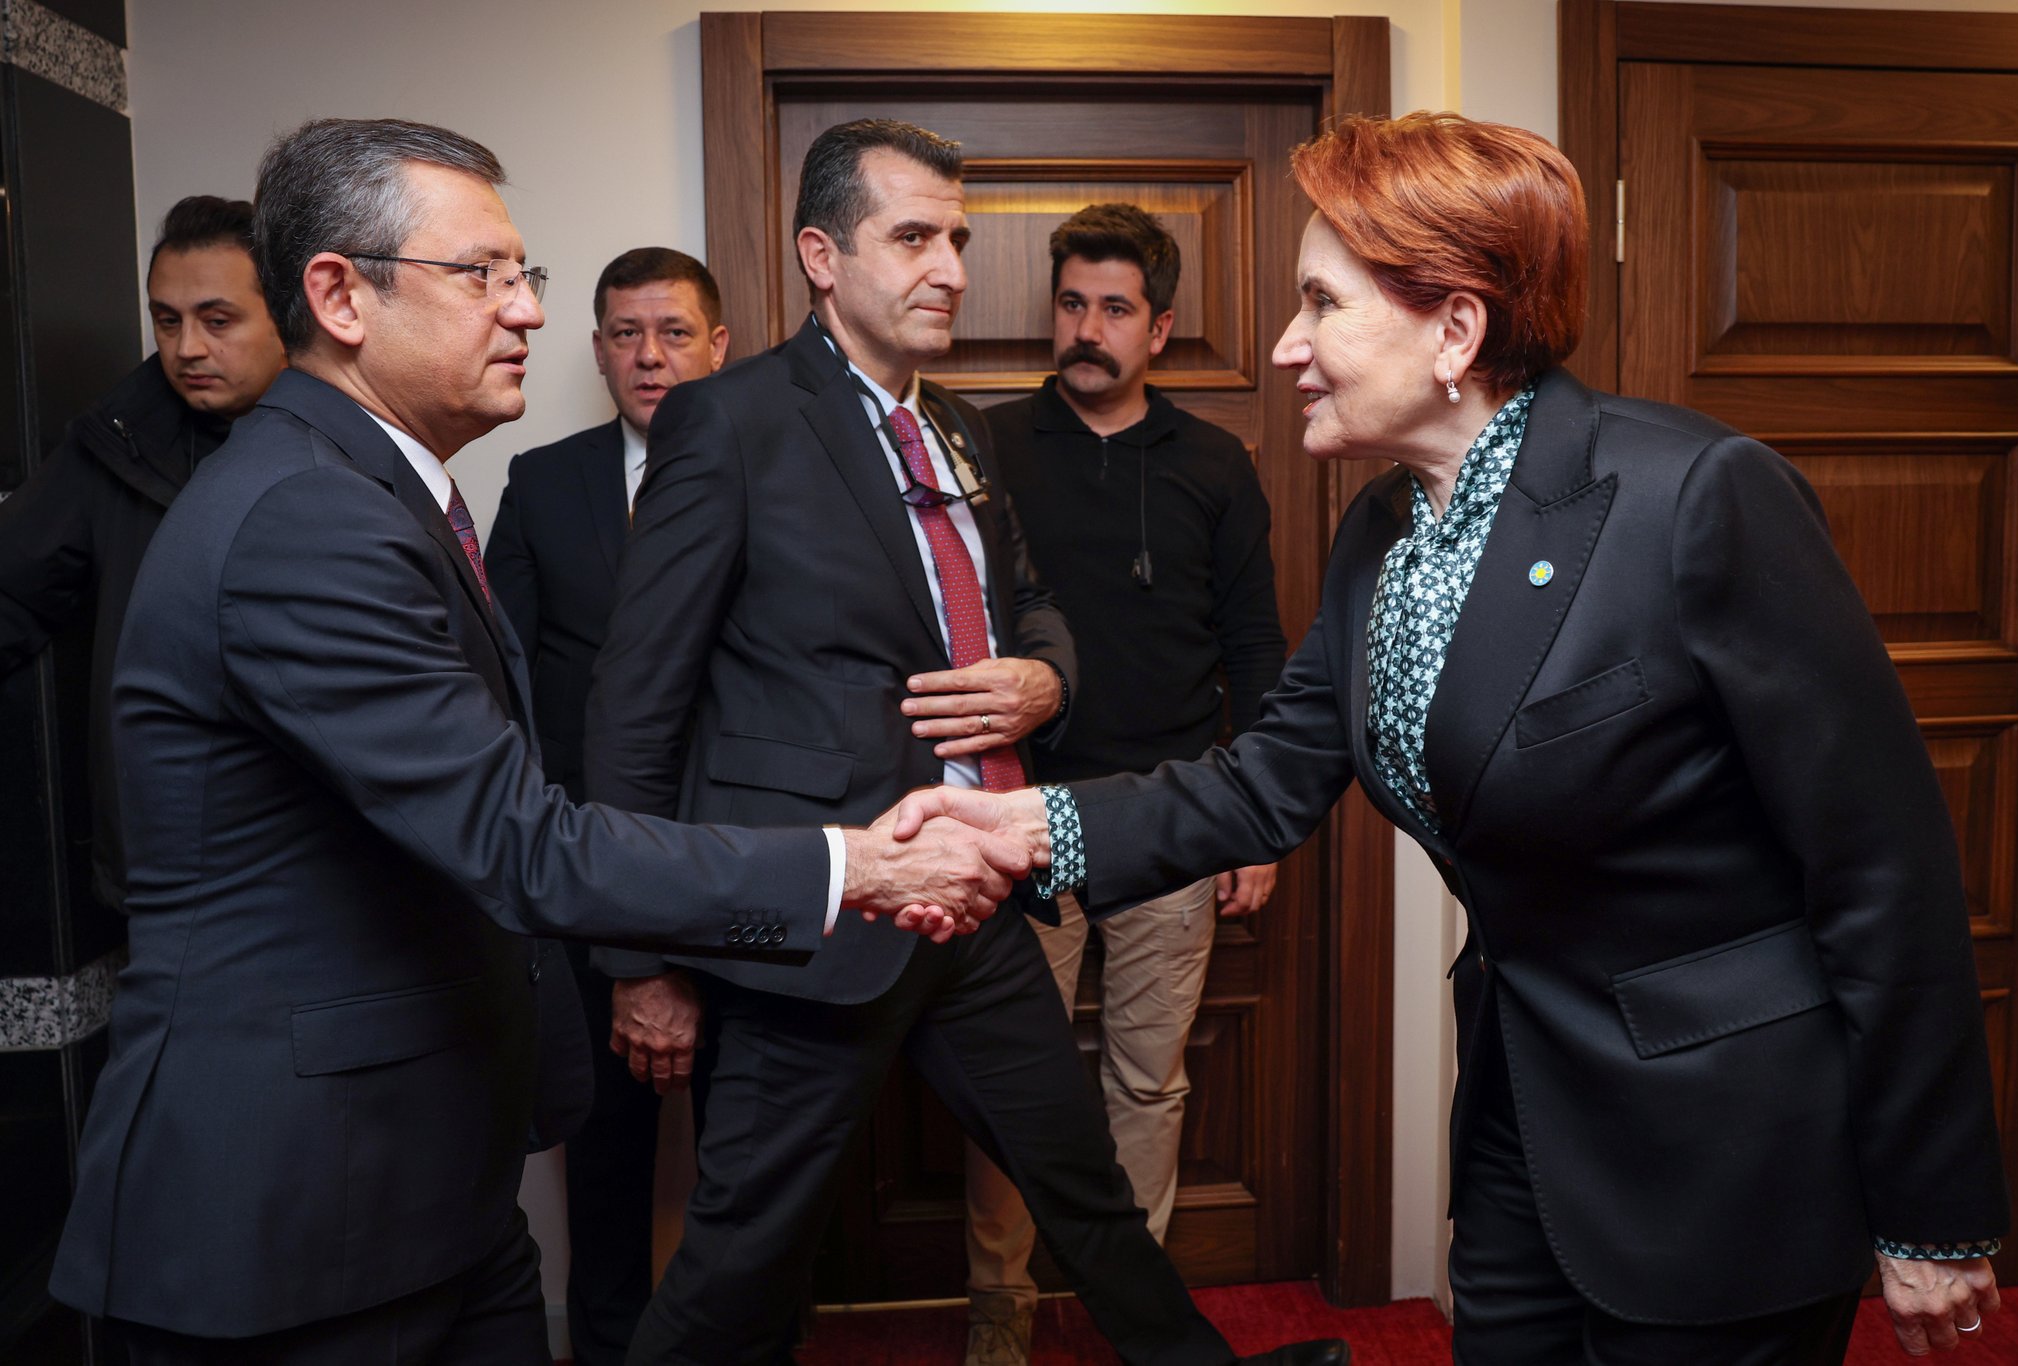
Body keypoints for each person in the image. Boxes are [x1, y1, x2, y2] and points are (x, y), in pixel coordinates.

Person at [894, 111, 2010, 1364]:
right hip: (1521, 1117)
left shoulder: (1694, 498)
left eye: (1320, 304)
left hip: (1720, 1146)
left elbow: (1883, 867)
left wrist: (1932, 1205)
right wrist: (1022, 825)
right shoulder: (1383, 531)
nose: (1285, 347)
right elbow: (1262, 781)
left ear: (1454, 330)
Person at [45, 116, 1024, 1365]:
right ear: (339, 294)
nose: (527, 313)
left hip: (424, 1182)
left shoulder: (376, 490)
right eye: (484, 275)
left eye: (527, 277)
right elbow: (522, 841)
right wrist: (852, 866)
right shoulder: (304, 517)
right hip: (287, 1225)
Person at [582, 118, 1345, 1366]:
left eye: (958, 240)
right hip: (819, 917)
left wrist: (1043, 673)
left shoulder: (959, 429)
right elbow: (633, 705)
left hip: (975, 899)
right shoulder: (725, 425)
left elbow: (1029, 599)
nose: (949, 268)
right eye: (914, 238)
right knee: (737, 1256)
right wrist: (638, 958)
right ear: (821, 256)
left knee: (1081, 1187)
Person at [961, 202, 1288, 1365]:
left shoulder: (1213, 464)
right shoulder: (983, 446)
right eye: (1069, 304)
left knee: (1148, 1084)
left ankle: (1133, 1318)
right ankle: (998, 1307)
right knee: (1012, 1087)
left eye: (1112, 308)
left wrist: (1256, 823)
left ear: (1160, 325)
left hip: (1174, 823)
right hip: (1019, 822)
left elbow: (1255, 648)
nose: (1085, 329)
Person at [484, 244, 731, 1366]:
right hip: (586, 866)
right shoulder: (542, 481)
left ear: (717, 345)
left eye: (674, 331)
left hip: (744, 861)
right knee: (606, 1148)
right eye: (626, 334)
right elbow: (501, 680)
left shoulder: (770, 473)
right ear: (595, 350)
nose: (650, 355)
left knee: (752, 1147)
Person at [0, 194, 285, 908]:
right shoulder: (115, 444)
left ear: (289, 313)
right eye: (167, 320)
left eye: (217, 321)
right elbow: (11, 587)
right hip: (167, 871)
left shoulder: (358, 442)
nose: (187, 347)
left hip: (320, 873)